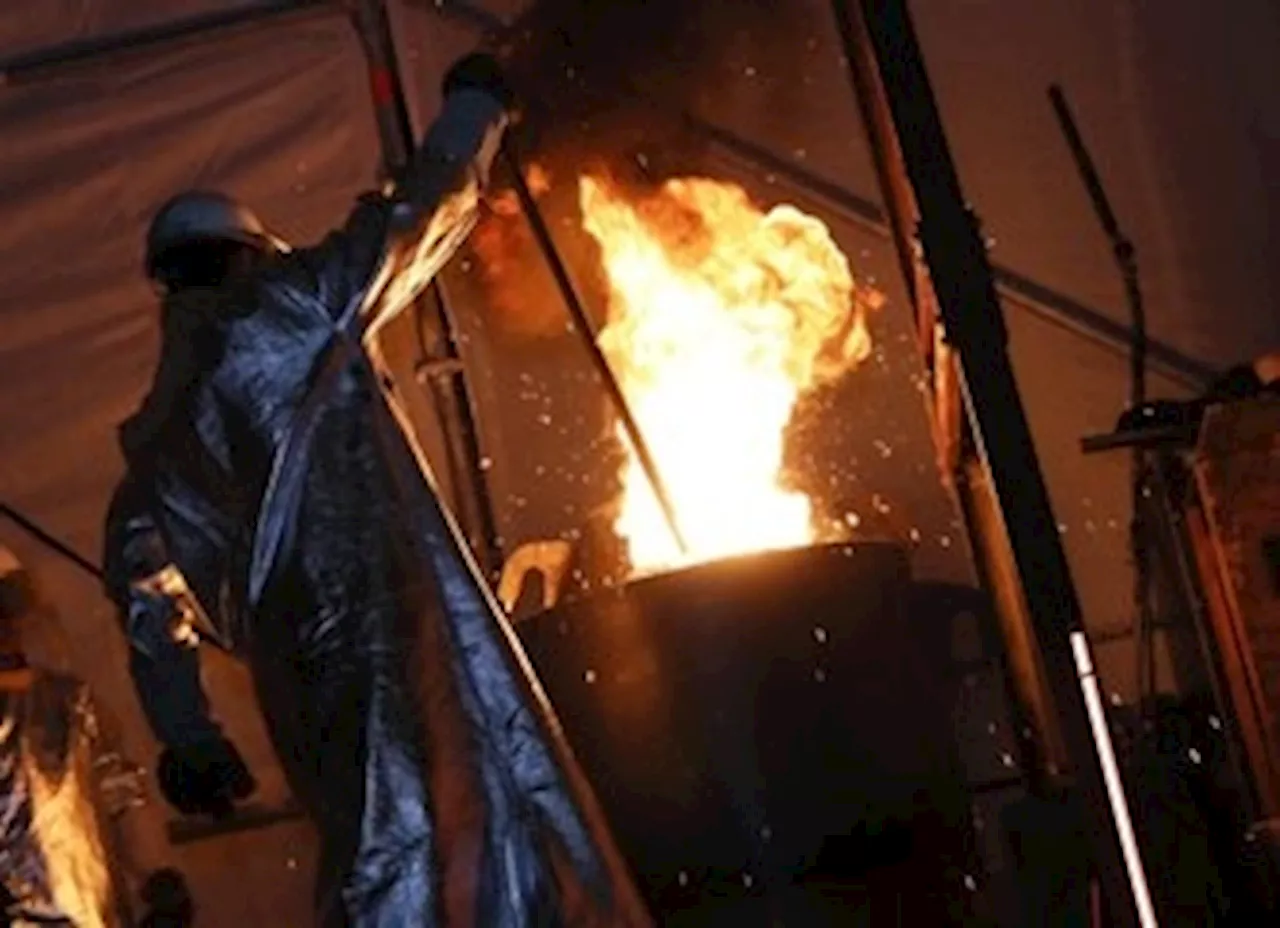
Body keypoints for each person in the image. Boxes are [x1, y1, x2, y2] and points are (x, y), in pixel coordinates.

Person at [102, 53, 650, 927]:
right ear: (251, 253)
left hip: (303, 692)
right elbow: (417, 214)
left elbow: (144, 608)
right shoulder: (294, 307)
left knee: (386, 853)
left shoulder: (155, 448)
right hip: (407, 641)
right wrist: (479, 106)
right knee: (481, 831)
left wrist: (190, 735)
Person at [0, 546, 141, 927]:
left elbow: (115, 788)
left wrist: (153, 881)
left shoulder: (67, 700)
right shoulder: (65, 699)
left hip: (85, 905)